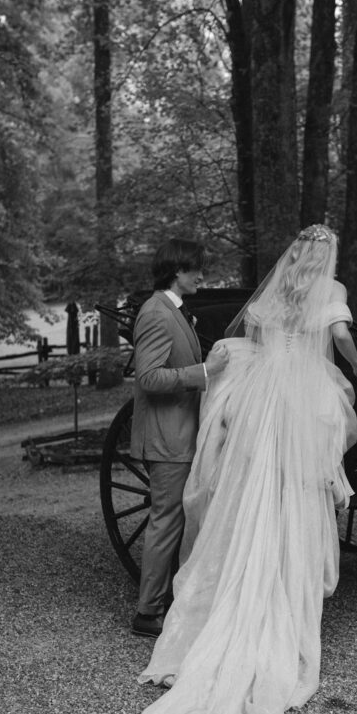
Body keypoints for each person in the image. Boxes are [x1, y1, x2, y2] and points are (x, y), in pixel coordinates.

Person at [106, 223, 357, 714]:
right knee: (296, 479)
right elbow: (341, 341)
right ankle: (156, 607)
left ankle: (228, 580)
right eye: (195, 267)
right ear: (328, 256)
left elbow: (254, 331)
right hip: (297, 397)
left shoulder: (273, 295)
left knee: (248, 494)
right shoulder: (330, 292)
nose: (201, 275)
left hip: (262, 401)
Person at [129, 238, 229, 639]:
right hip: (167, 438)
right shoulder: (155, 313)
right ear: (176, 272)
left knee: (177, 518)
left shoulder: (177, 311)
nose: (201, 276)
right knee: (166, 521)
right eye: (195, 269)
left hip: (184, 434)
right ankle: (147, 613)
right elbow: (149, 378)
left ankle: (175, 598)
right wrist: (205, 372)